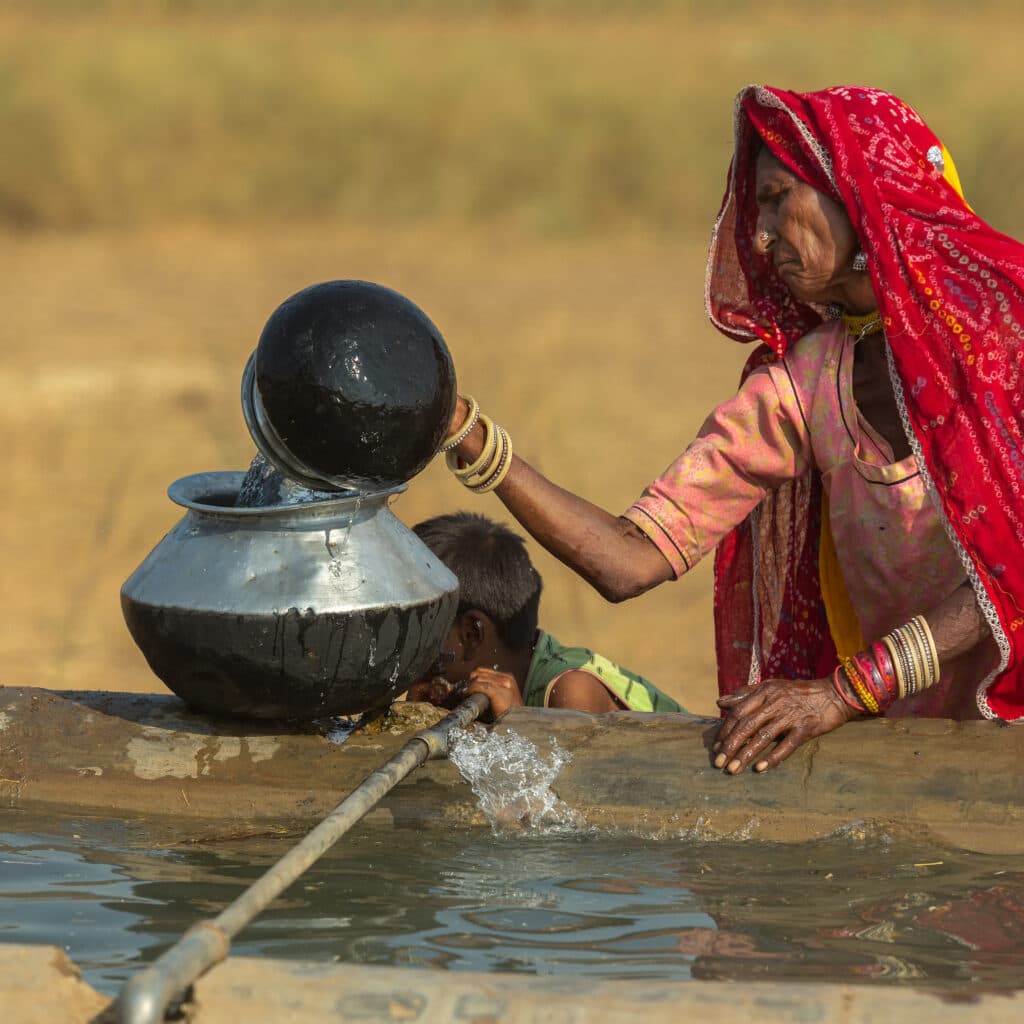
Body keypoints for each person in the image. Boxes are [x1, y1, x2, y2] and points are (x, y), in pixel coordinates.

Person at [436, 85, 1024, 773]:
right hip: (919, 747)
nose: (760, 234)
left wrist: (844, 691)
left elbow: (1009, 572)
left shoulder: (1002, 329)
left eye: (779, 199)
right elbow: (629, 560)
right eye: (757, 209)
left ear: (857, 189)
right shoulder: (806, 382)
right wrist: (467, 434)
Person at [405, 511, 686, 718]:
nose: (406, 653)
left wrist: (519, 727)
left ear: (472, 634)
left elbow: (572, 793)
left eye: (417, 633)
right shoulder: (507, 668)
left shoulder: (571, 691)